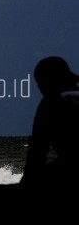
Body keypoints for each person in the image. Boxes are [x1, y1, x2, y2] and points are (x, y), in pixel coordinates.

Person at [20, 55, 79, 192]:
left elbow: (38, 149)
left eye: (40, 83)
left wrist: (27, 181)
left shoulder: (51, 103)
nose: (39, 88)